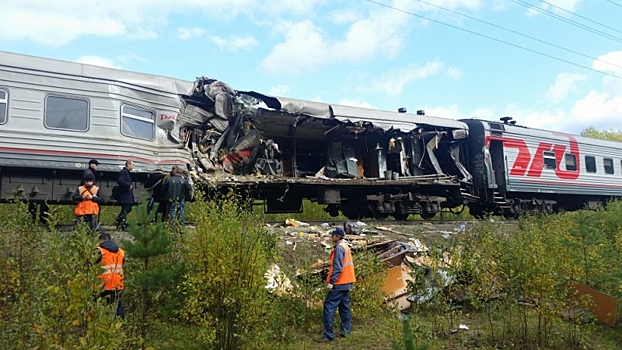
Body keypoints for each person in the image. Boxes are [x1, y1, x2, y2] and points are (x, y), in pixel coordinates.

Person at [317, 226, 356, 342]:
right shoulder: (346, 246)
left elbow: (338, 268)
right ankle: (346, 331)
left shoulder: (339, 248)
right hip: (347, 282)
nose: (331, 237)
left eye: (333, 235)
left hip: (339, 283)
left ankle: (328, 335)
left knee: (329, 307)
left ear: (337, 236)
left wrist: (332, 282)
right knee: (344, 308)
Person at [95, 232, 125, 319]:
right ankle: (120, 325)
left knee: (98, 307)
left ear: (101, 241)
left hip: (102, 285)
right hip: (118, 284)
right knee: (117, 307)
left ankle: (101, 325)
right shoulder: (121, 252)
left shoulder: (99, 251)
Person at [114, 160, 135, 230]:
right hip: (124, 195)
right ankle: (120, 223)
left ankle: (119, 221)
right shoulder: (124, 172)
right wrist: (128, 185)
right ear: (128, 165)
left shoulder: (126, 172)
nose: (133, 166)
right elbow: (120, 181)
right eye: (132, 165)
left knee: (128, 209)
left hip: (126, 195)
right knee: (125, 209)